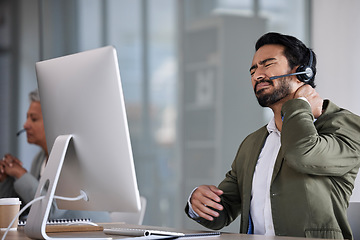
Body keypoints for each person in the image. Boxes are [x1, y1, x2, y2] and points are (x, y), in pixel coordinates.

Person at [185, 32, 360, 240]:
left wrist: (300, 103)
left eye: (267, 64)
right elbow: (222, 212)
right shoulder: (252, 143)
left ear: (303, 72)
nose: (257, 75)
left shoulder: (345, 125)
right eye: (253, 70)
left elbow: (303, 153)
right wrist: (198, 203)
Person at [0, 89, 110, 222]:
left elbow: (51, 212)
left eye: (33, 119)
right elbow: (29, 208)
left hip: (92, 234)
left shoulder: (70, 161)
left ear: (53, 123)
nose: (25, 125)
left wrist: (21, 175)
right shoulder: (39, 159)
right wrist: (8, 178)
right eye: (27, 117)